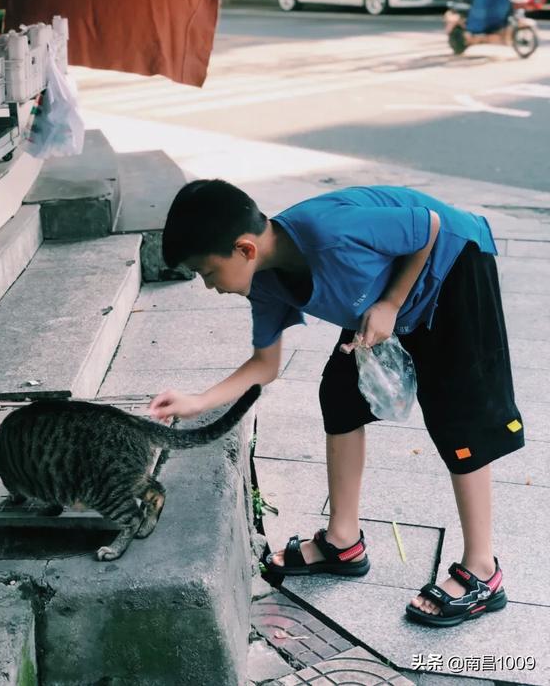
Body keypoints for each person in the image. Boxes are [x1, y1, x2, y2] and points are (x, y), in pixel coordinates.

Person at [150, 180, 524, 628]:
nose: (209, 287)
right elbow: (265, 364)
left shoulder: (330, 232)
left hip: (454, 263)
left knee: (460, 422)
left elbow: (429, 227)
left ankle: (483, 570)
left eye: (207, 273)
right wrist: (198, 401)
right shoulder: (265, 281)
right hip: (386, 293)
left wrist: (389, 304)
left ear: (244, 249)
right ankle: (342, 541)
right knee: (340, 397)